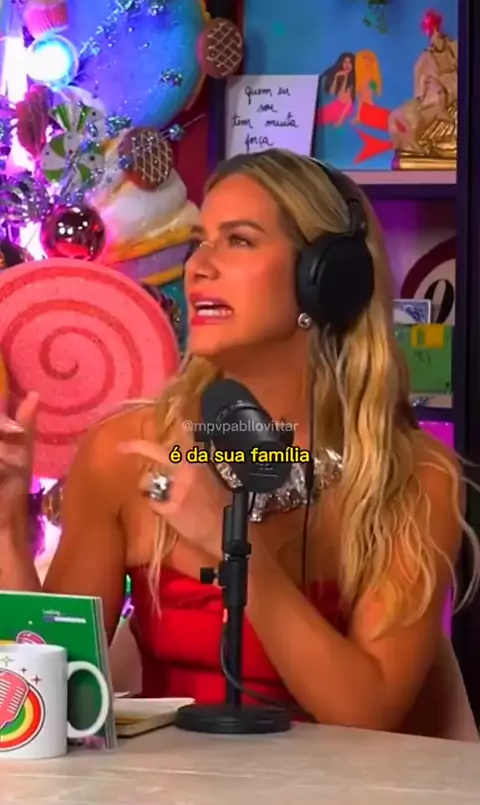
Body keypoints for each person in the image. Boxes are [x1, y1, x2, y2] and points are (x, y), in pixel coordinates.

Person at [0, 148, 478, 738]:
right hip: (161, 793)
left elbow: (368, 714)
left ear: (325, 279)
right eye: (200, 241)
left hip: (339, 792)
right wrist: (7, 529)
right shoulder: (127, 452)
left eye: (240, 241)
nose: (198, 267)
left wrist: (233, 545)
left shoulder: (413, 475)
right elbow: (51, 695)